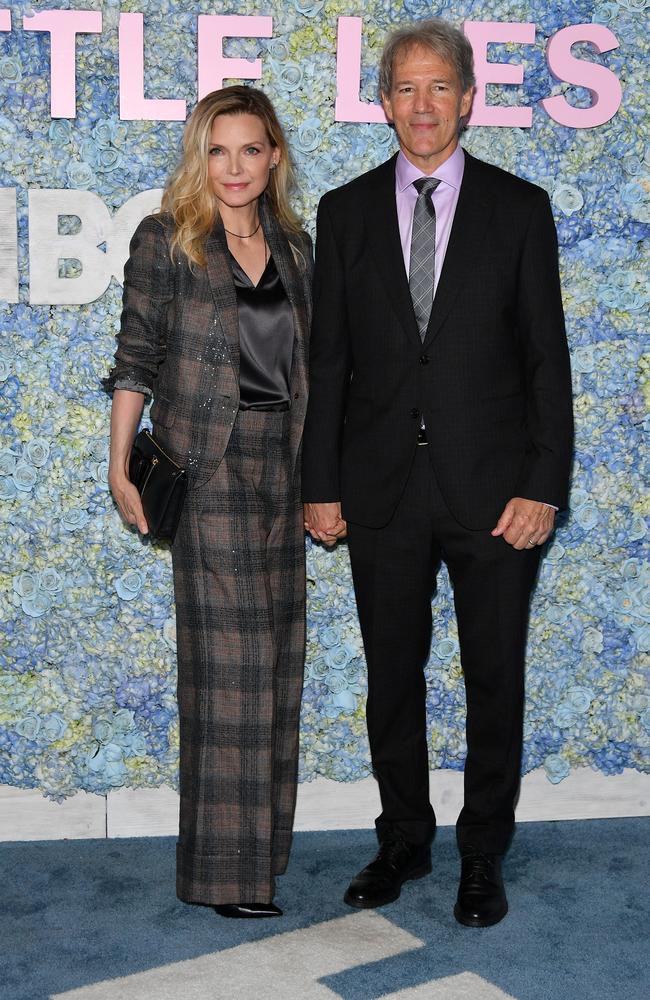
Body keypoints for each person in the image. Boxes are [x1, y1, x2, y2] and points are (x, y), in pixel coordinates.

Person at [302, 20, 573, 927]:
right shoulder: (341, 213)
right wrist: (320, 483)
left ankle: (483, 851)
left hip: (497, 494)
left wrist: (544, 484)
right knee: (393, 673)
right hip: (378, 490)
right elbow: (326, 361)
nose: (422, 105)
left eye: (439, 87)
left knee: (495, 673)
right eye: (404, 89)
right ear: (383, 103)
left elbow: (547, 361)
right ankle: (405, 840)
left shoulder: (519, 208)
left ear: (469, 98)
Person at [104, 86, 312, 919]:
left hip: (285, 469)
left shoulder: (298, 248)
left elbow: (318, 371)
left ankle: (265, 847)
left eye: (250, 150)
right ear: (202, 157)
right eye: (218, 150)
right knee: (229, 670)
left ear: (273, 158)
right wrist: (120, 464)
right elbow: (136, 356)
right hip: (207, 469)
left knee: (280, 662)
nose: (234, 167)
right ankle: (226, 876)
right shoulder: (168, 239)